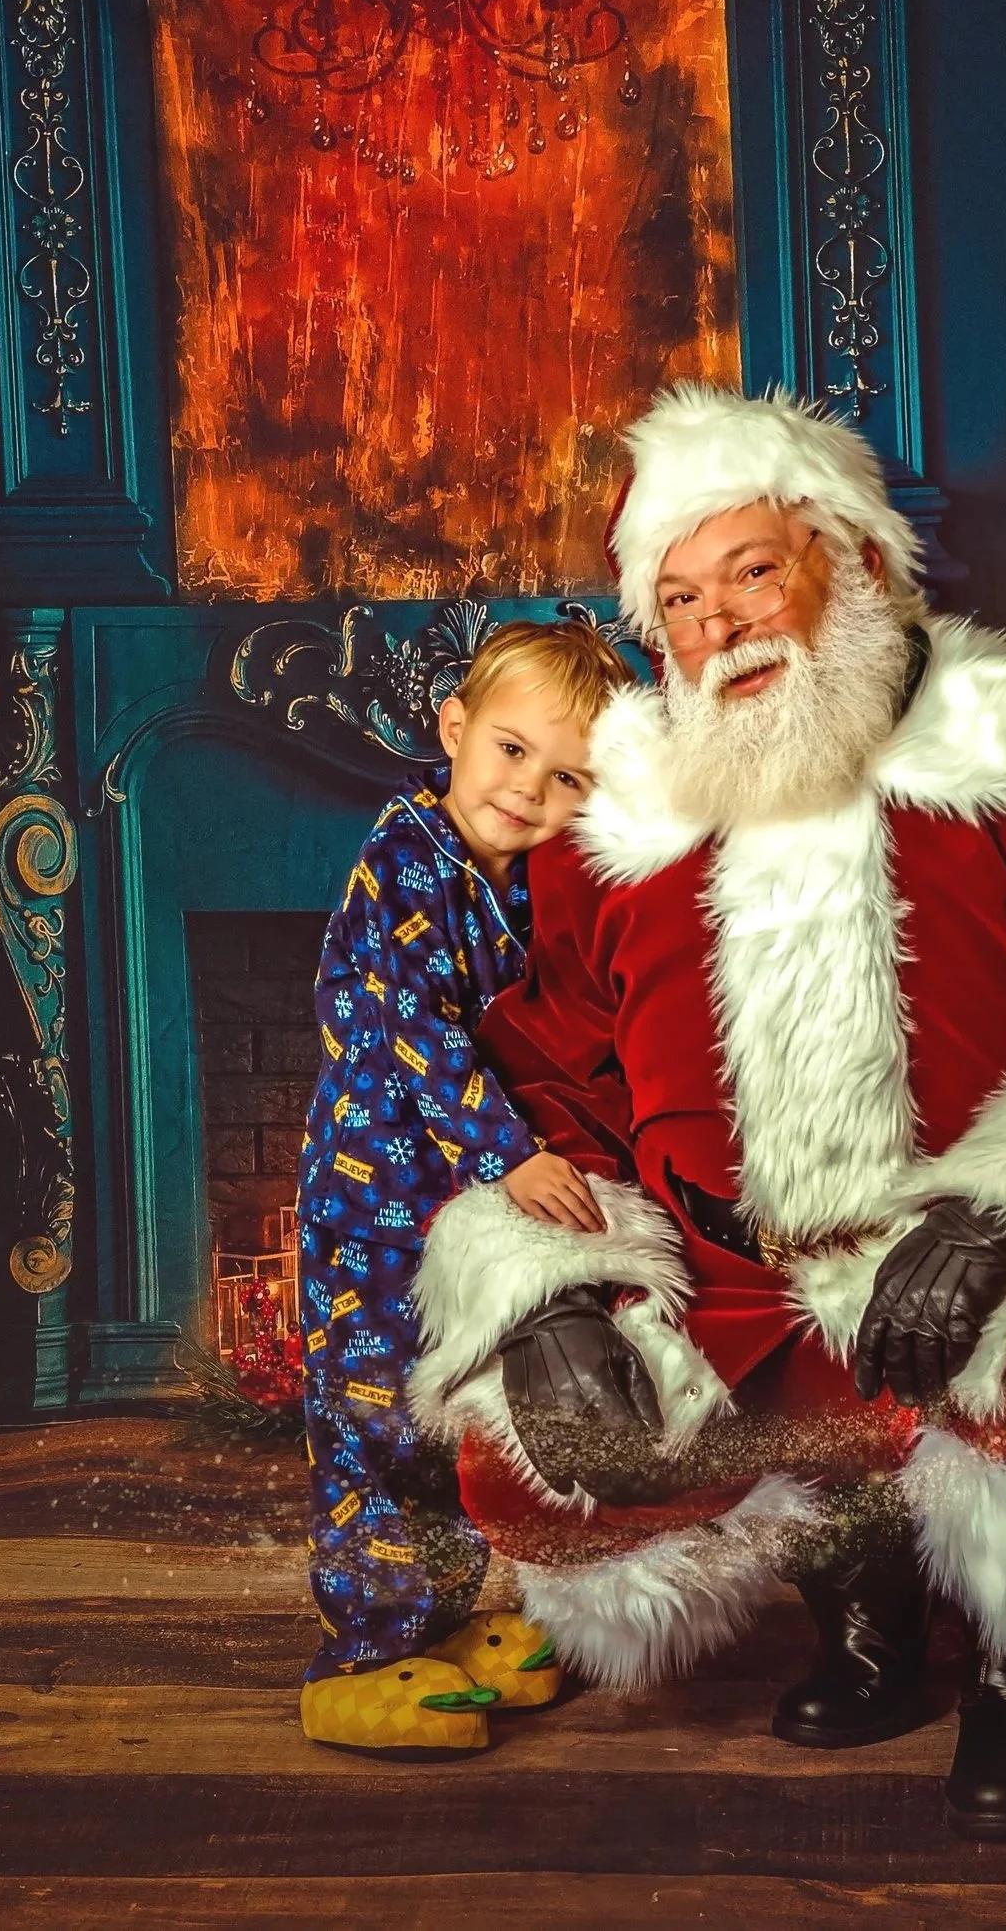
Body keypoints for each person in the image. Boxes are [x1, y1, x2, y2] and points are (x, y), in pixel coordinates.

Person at [405, 384, 1006, 1835]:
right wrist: (551, 1294)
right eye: (678, 599)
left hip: (974, 1254)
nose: (721, 623)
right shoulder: (614, 835)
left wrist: (1004, 1212)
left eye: (752, 569)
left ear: (856, 562)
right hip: (731, 1263)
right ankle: (865, 1608)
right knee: (536, 1445)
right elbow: (557, 1075)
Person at [293, 618, 632, 1752]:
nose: (531, 790)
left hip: (452, 1209)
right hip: (373, 1192)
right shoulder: (401, 859)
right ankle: (360, 1655)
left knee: (445, 1414)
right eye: (511, 750)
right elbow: (411, 1033)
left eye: (569, 774)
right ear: (453, 730)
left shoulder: (524, 881)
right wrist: (511, 1153)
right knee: (373, 1418)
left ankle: (438, 1619)